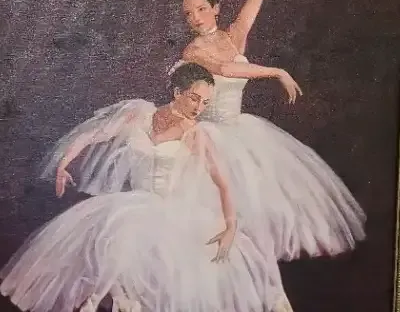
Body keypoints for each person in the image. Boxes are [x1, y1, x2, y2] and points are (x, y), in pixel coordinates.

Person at [1, 63, 286, 312]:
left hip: (169, 212)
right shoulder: (139, 115)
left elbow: (222, 181)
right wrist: (64, 163)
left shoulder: (195, 133)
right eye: (194, 98)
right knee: (110, 249)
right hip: (132, 206)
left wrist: (231, 226)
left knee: (153, 270)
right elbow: (93, 135)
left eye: (205, 103)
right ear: (177, 92)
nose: (199, 108)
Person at [176, 0, 366, 263]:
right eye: (188, 14)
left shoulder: (235, 35)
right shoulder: (193, 51)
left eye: (201, 9)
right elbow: (226, 70)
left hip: (240, 133)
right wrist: (277, 71)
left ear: (216, 8)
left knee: (249, 222)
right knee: (205, 221)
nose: (195, 18)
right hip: (208, 137)